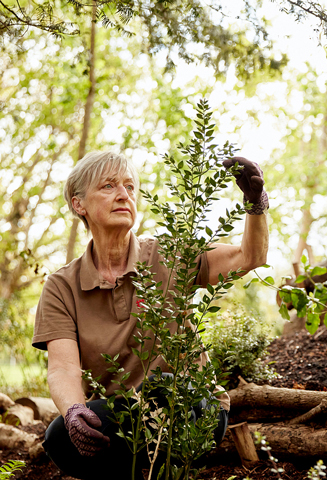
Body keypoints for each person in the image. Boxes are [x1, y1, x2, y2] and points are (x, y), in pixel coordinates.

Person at [32, 151, 269, 479]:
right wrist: (73, 412)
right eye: (109, 186)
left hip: (192, 407)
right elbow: (63, 368)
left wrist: (255, 205)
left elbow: (249, 257)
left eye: (130, 187)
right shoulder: (62, 286)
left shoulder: (169, 254)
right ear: (78, 204)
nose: (124, 195)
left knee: (163, 390)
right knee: (59, 436)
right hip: (125, 416)